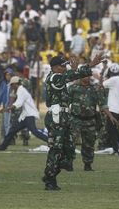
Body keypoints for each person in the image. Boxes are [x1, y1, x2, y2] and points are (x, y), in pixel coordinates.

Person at [42, 53, 104, 191]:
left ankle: (51, 172)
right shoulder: (54, 77)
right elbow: (70, 76)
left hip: (64, 116)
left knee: (69, 149)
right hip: (56, 117)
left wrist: (81, 68)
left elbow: (71, 76)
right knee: (56, 148)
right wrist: (89, 65)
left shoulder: (59, 77)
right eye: (63, 66)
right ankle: (50, 178)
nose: (65, 68)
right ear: (56, 67)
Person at [69, 74, 114, 171]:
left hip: (90, 120)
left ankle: (88, 164)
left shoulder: (95, 89)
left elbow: (102, 104)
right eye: (85, 75)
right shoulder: (73, 88)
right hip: (75, 119)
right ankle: (69, 163)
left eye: (89, 75)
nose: (88, 77)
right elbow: (65, 102)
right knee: (71, 142)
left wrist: (110, 116)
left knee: (89, 144)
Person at [0, 76, 48, 151]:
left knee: (35, 132)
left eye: (11, 85)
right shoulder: (19, 90)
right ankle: (2, 147)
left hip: (29, 115)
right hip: (25, 116)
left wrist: (7, 109)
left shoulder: (21, 91)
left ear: (15, 84)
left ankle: (51, 142)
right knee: (12, 130)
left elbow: (19, 103)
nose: (11, 87)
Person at [101, 63, 119, 155]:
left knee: (111, 129)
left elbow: (101, 85)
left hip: (113, 108)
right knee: (114, 129)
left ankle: (116, 149)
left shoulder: (112, 80)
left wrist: (103, 73)